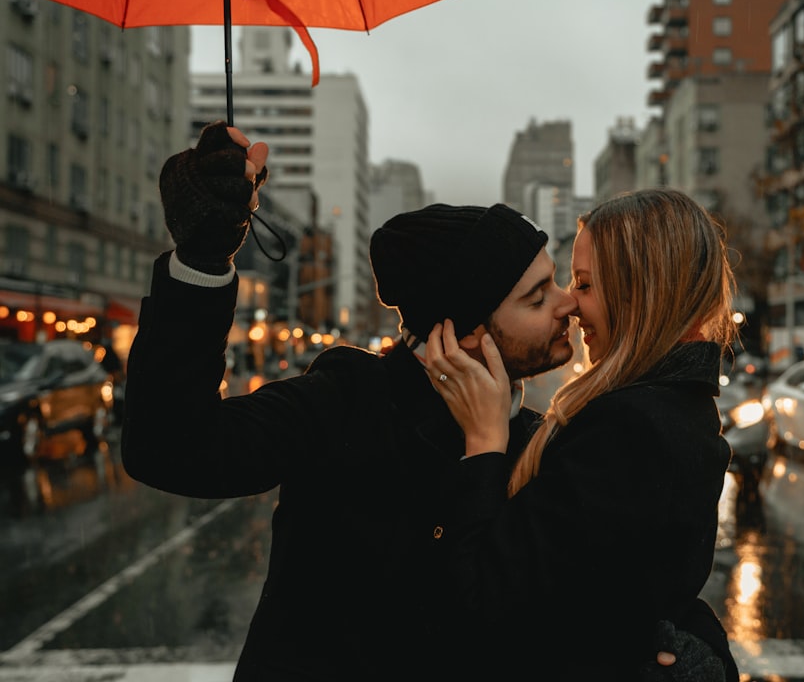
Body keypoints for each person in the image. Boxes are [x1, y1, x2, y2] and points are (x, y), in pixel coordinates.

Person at [121, 122, 717, 680]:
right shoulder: (348, 402)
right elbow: (171, 447)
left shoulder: (547, 440)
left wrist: (697, 645)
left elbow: (616, 580)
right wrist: (201, 262)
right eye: (538, 297)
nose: (566, 304)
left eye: (564, 282)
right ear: (467, 334)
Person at [424, 188, 741, 681]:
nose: (570, 303)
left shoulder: (632, 429)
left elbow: (480, 602)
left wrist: (484, 445)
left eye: (586, 285)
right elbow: (642, 589)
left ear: (641, 293)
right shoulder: (676, 407)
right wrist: (703, 644)